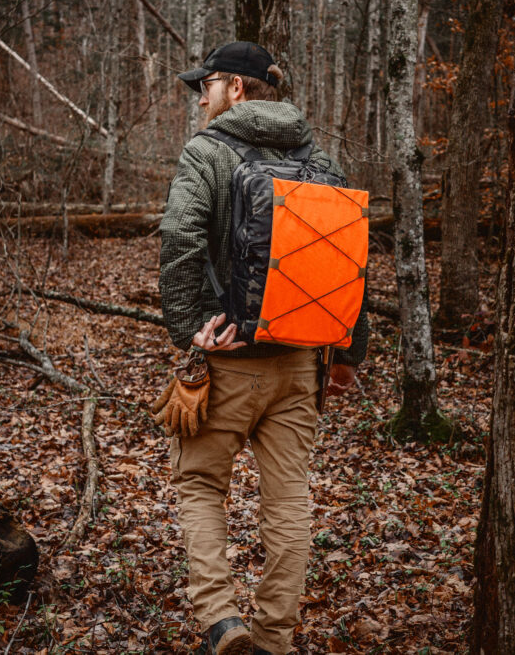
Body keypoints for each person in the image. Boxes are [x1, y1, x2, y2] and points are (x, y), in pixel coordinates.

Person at [157, 41, 369, 655]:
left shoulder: (207, 152)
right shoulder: (319, 156)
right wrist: (348, 352)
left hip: (225, 359)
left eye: (207, 85)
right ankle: (275, 640)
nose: (201, 96)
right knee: (289, 503)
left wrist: (190, 327)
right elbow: (352, 256)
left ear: (238, 89)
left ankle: (223, 623)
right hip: (301, 360)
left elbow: (179, 238)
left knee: (199, 486)